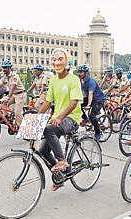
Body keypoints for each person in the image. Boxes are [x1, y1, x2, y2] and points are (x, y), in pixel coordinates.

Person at [38, 48, 83, 191]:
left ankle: (62, 161)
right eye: (54, 59)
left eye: (60, 59)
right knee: (42, 150)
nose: (56, 62)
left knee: (49, 129)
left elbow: (73, 103)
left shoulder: (74, 79)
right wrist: (36, 117)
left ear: (67, 62)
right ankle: (60, 177)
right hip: (57, 118)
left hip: (71, 118)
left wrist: (59, 117)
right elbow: (47, 102)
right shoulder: (53, 80)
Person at [0, 59, 26, 126]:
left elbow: (12, 87)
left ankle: (22, 129)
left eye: (5, 68)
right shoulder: (4, 76)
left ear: (9, 68)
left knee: (17, 113)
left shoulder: (15, 76)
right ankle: (7, 117)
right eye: (3, 67)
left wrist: (8, 97)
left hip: (20, 95)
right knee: (2, 103)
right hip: (14, 95)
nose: (4, 69)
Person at [78, 64, 105, 141]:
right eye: (79, 72)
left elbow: (90, 94)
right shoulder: (81, 81)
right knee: (77, 105)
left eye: (81, 72)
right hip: (91, 98)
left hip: (98, 100)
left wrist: (89, 105)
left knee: (92, 115)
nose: (79, 74)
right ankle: (85, 119)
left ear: (86, 73)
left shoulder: (91, 82)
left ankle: (98, 132)